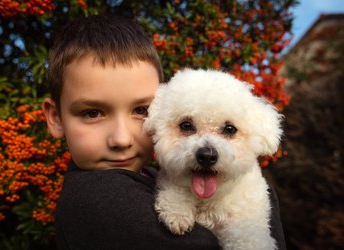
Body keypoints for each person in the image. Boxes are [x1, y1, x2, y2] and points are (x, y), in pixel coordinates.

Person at [42, 15, 286, 250]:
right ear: (55, 118)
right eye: (92, 113)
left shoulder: (152, 175)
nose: (121, 139)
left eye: (141, 110)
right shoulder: (96, 200)